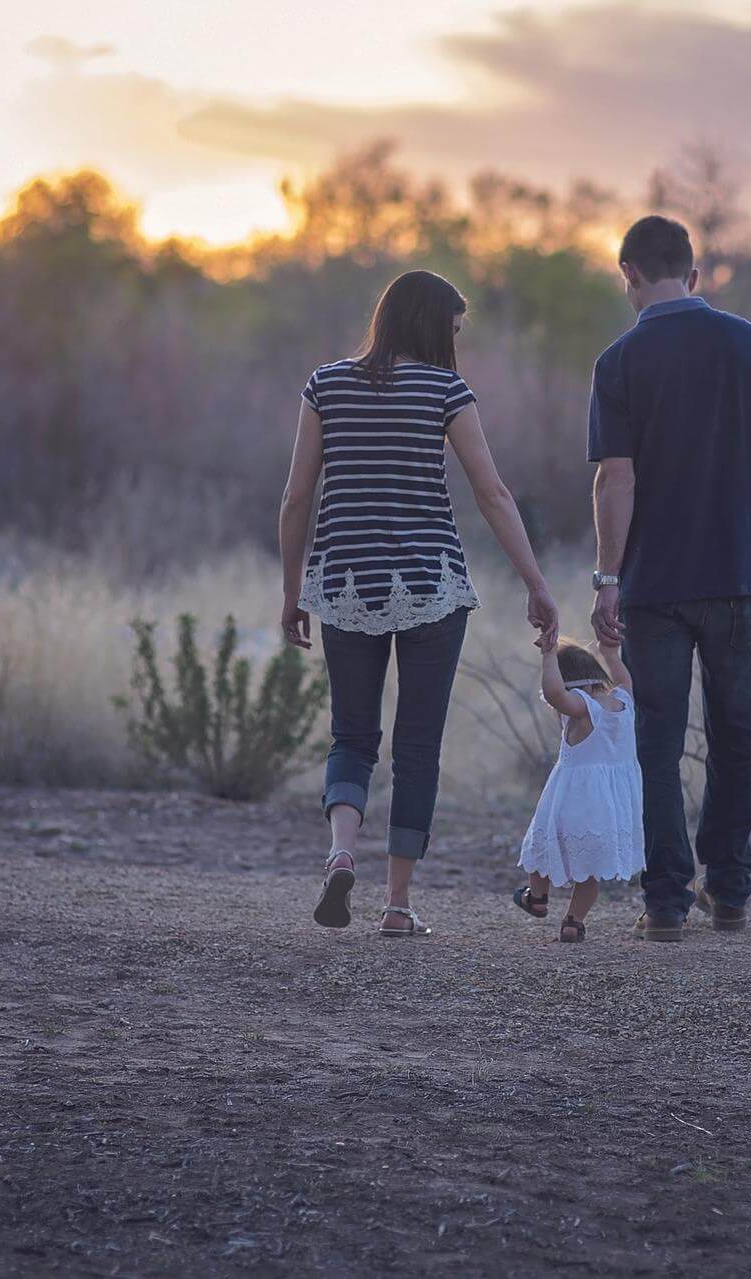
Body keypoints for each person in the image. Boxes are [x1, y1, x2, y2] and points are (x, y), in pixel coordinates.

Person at [278, 269, 559, 937]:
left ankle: (342, 850)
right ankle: (397, 904)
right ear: (434, 325)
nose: (456, 341)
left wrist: (293, 593)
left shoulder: (325, 384)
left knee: (352, 735)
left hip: (344, 583)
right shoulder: (445, 390)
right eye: (454, 329)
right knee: (418, 746)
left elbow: (295, 498)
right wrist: (536, 582)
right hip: (431, 586)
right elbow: (492, 494)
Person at [587, 215, 751, 942]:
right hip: (739, 576)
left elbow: (613, 480)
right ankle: (730, 891)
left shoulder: (619, 361)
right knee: (738, 735)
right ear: (694, 275)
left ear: (628, 274)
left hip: (655, 586)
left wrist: (606, 577)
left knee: (657, 742)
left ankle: (664, 902)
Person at [512, 637, 644, 943]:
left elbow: (554, 693)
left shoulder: (582, 708)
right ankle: (573, 922)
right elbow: (623, 677)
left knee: (542, 847)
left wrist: (547, 657)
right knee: (589, 872)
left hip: (574, 800)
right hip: (610, 807)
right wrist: (610, 653)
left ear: (572, 685)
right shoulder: (624, 701)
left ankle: (538, 897)